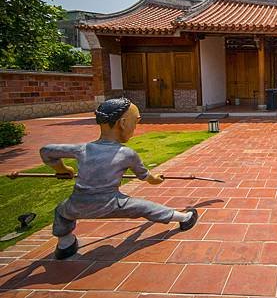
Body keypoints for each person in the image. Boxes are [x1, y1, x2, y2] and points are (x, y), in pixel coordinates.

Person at [40, 97, 198, 260]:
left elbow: (46, 151)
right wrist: (156, 179)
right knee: (146, 207)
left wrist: (63, 169)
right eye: (135, 123)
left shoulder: (82, 149)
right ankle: (185, 217)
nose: (135, 128)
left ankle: (65, 244)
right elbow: (145, 176)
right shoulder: (126, 153)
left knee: (61, 211)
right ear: (122, 123)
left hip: (78, 204)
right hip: (112, 204)